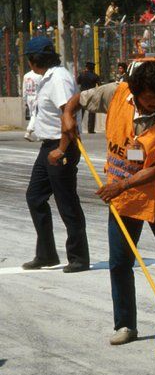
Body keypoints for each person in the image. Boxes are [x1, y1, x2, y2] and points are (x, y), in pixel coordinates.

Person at [61, 61, 155, 346]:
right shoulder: (116, 94)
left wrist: (121, 185)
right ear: (137, 91)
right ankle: (125, 324)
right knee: (120, 262)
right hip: (123, 196)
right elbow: (76, 101)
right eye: (149, 98)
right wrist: (67, 116)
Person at [22, 36, 90, 273]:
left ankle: (79, 257)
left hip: (62, 146)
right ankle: (47, 254)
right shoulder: (47, 78)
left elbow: (68, 116)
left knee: (66, 201)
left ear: (33, 60)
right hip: (48, 146)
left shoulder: (58, 79)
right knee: (34, 196)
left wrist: (61, 149)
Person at [76, 62, 102, 133]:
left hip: (83, 95)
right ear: (93, 68)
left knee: (80, 113)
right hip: (92, 95)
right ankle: (90, 129)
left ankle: (77, 129)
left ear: (86, 67)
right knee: (92, 112)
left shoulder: (82, 75)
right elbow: (100, 86)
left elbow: (77, 82)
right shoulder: (95, 76)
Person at [23, 68, 42, 141]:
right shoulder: (39, 76)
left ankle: (39, 135)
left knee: (33, 115)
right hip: (36, 97)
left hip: (29, 97)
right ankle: (28, 131)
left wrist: (25, 99)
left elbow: (24, 89)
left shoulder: (26, 75)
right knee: (35, 115)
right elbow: (41, 87)